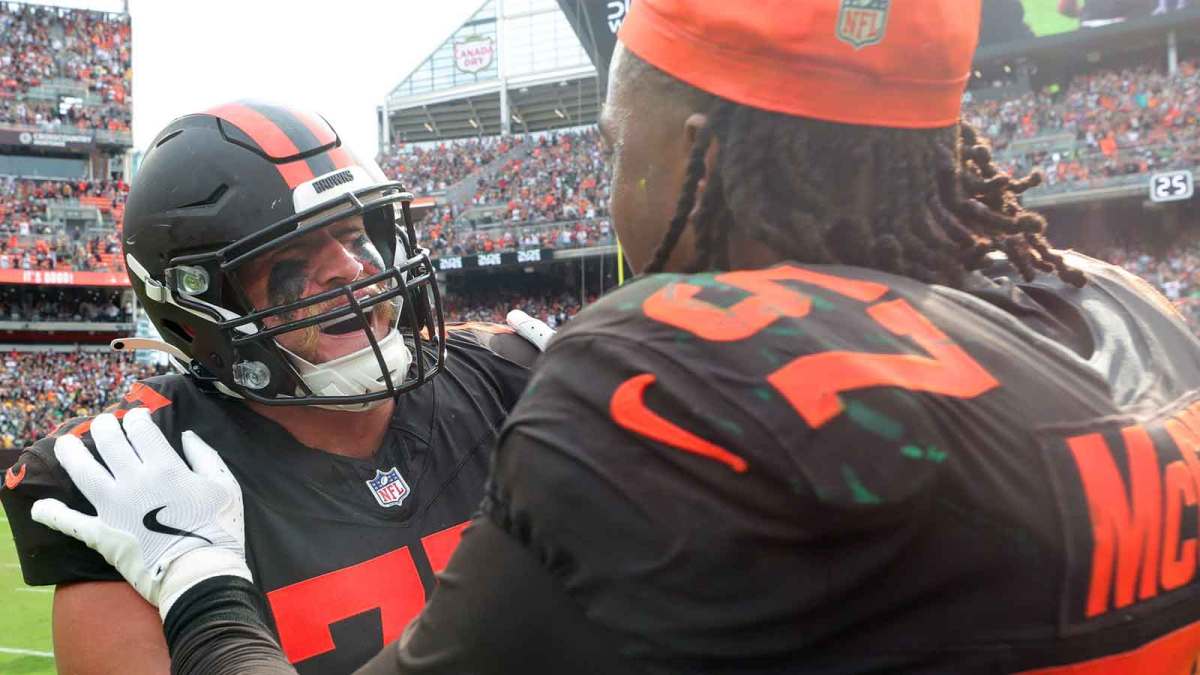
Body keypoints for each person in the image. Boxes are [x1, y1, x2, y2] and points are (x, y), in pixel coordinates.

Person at [31, 1, 1200, 672]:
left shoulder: (671, 382)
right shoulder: (1124, 308)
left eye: (604, 136)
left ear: (696, 142)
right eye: (292, 267)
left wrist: (204, 599)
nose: (349, 283)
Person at [1, 102, 542, 675]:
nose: (348, 268)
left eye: (356, 234)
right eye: (291, 257)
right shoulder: (141, 474)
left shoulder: (508, 378)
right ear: (197, 313)